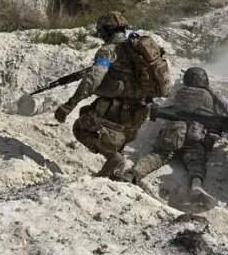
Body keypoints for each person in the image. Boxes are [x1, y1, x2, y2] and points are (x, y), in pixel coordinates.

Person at [53, 11, 170, 178]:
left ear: (107, 31)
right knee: (92, 114)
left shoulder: (108, 50)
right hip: (138, 115)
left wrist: (70, 104)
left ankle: (114, 159)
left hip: (115, 111)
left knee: (80, 126)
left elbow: (94, 78)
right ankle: (114, 170)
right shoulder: (139, 51)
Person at [117, 67, 228, 212]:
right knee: (196, 162)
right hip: (195, 135)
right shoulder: (210, 96)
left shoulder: (180, 92)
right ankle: (196, 186)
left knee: (157, 156)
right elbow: (221, 116)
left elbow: (167, 107)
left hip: (174, 132)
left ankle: (132, 174)